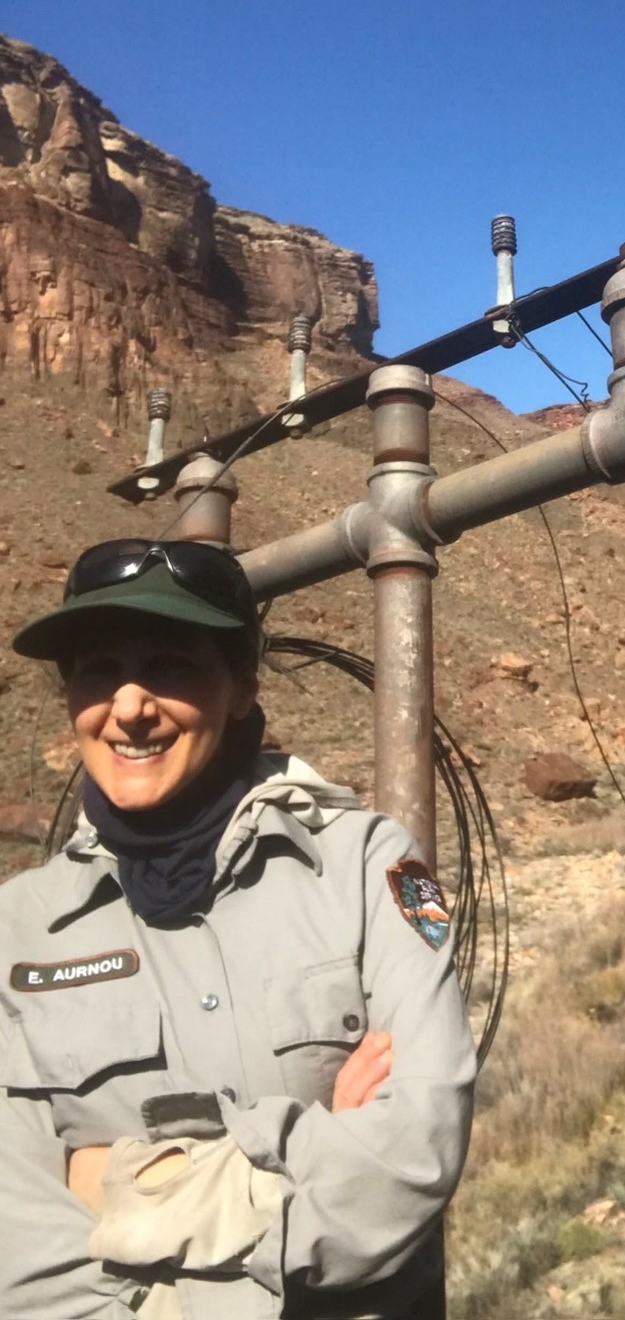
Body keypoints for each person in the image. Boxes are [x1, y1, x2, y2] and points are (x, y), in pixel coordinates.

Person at [1, 538, 476, 1320]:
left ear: (241, 688)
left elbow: (410, 1157)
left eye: (171, 666)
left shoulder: (365, 867)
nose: (128, 707)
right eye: (97, 671)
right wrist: (303, 1162)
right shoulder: (18, 934)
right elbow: (19, 1250)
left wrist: (111, 1183)